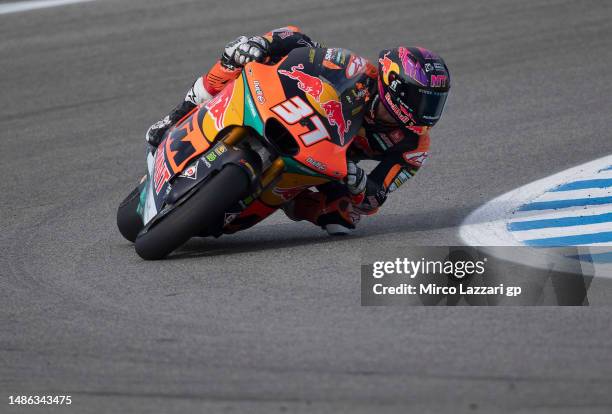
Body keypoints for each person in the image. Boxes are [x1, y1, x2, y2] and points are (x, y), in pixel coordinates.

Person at [145, 26, 451, 235]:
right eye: (421, 99)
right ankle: (177, 115)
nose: (427, 111)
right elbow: (299, 41)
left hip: (332, 165)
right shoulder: (356, 69)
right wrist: (260, 45)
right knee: (236, 56)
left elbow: (376, 197)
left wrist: (360, 185)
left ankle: (287, 198)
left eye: (434, 103)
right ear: (395, 85)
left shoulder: (414, 146)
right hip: (297, 117)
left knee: (343, 219)